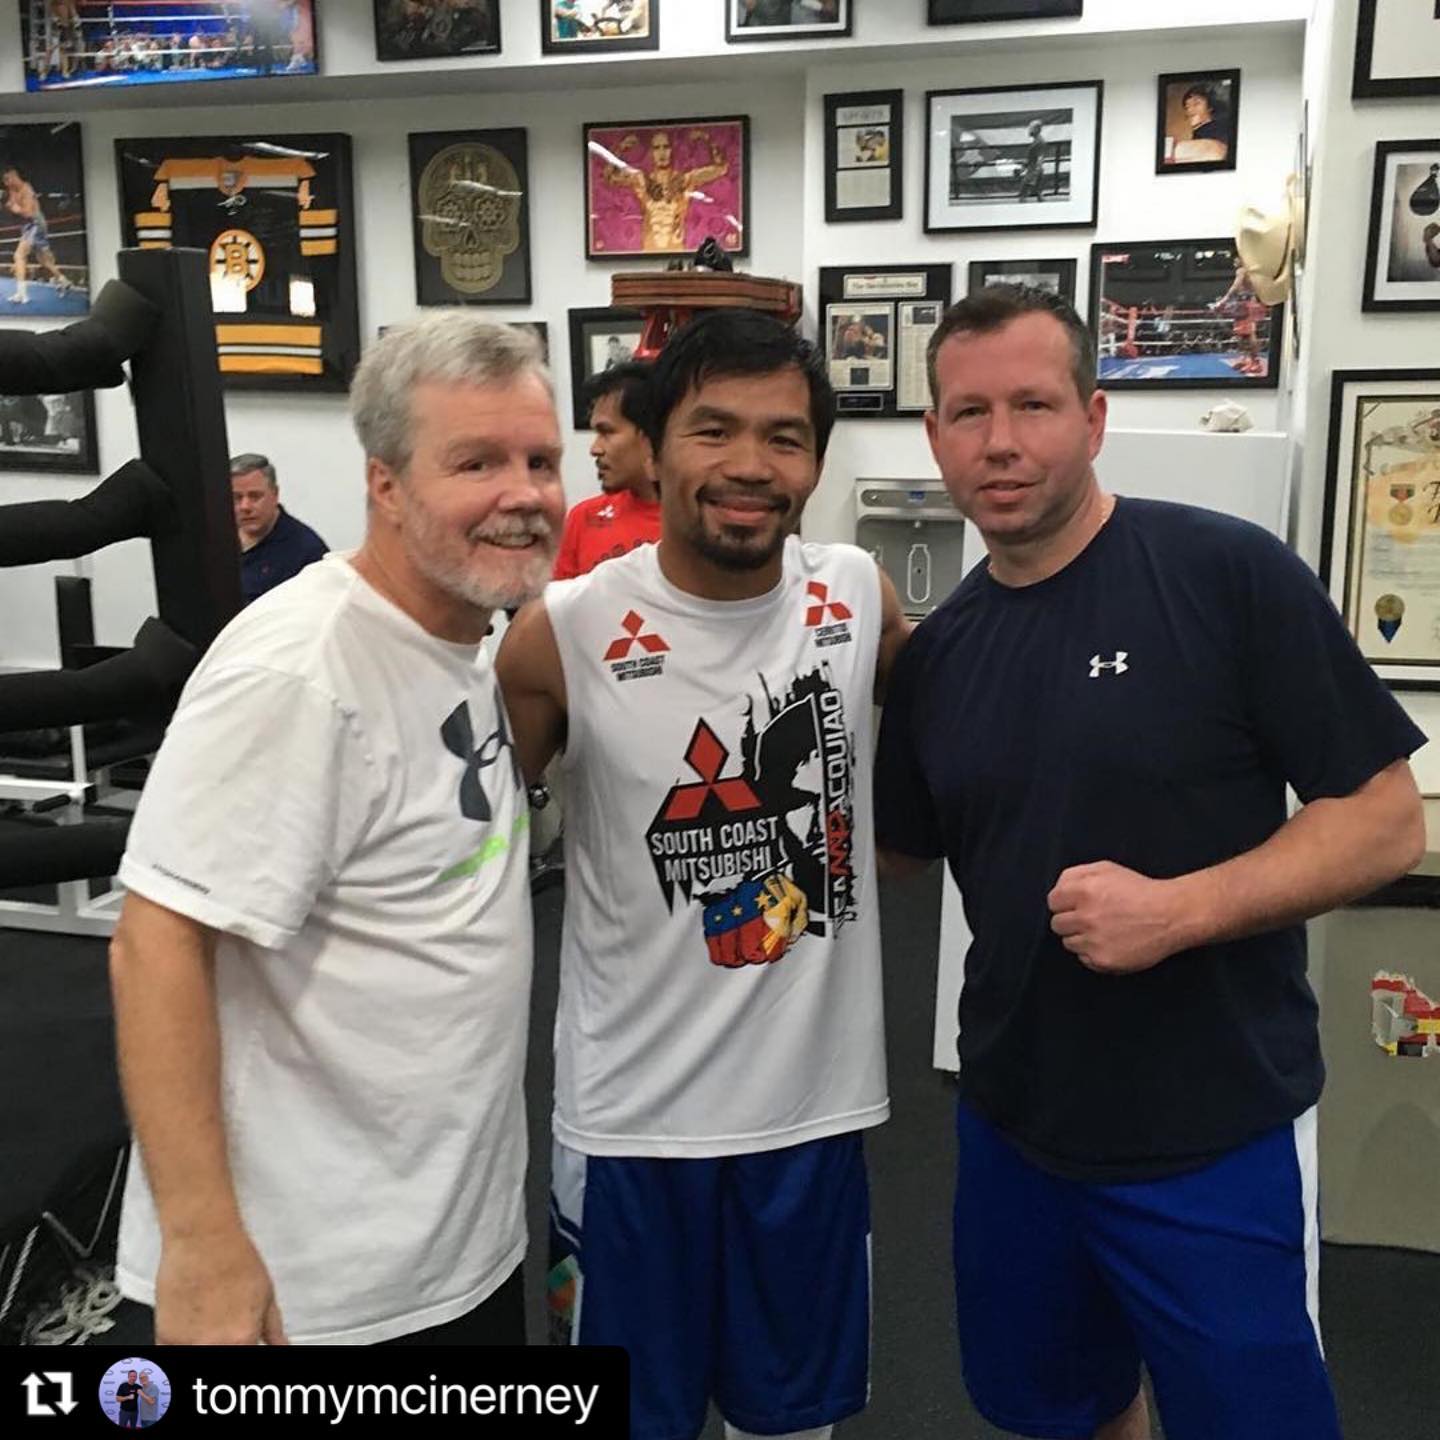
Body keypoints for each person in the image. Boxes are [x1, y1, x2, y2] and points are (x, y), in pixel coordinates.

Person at [874, 284, 1427, 1440]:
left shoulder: (1225, 574)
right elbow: (894, 860)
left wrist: (1180, 910)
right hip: (1013, 1121)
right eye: (969, 413)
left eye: (1034, 404)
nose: (1003, 442)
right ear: (934, 438)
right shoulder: (938, 658)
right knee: (1063, 1409)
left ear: (1094, 415)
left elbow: (1383, 820)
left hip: (1211, 1129)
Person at [108, 314, 564, 1346]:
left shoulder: (456, 639)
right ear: (387, 486)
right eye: (476, 461)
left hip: (449, 1256)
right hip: (303, 1297)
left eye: (541, 460)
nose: (523, 494)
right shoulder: (299, 671)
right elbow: (155, 944)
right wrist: (204, 1240)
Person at [498, 309, 909, 1440]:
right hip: (632, 1126)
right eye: (712, 430)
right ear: (658, 445)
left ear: (817, 463)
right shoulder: (565, 631)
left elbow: (950, 753)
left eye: (784, 438)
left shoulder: (859, 598)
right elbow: (465, 847)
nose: (748, 466)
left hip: (810, 1118)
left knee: (793, 1427)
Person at [553, 362, 659, 582]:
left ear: (651, 435)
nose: (595, 449)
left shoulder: (697, 523)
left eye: (606, 432)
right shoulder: (582, 519)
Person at [604, 128, 729, 253]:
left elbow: (721, 168)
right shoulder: (641, 180)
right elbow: (609, 177)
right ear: (651, 152)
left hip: (677, 251)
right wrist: (620, 149)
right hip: (648, 252)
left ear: (672, 150)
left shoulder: (684, 180)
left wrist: (707, 138)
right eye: (656, 148)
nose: (662, 153)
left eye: (666, 147)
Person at [229, 453, 329, 605]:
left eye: (255, 496)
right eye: (237, 498)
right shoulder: (216, 537)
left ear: (275, 494)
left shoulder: (307, 552)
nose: (245, 506)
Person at [3, 167, 72, 305]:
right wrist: (10, 206)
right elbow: (11, 204)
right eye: (5, 181)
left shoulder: (27, 190)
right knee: (44, 261)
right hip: (28, 226)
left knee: (19, 255)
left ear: (14, 176)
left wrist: (16, 209)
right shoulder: (12, 190)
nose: (6, 183)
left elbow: (28, 213)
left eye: (8, 179)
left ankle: (22, 294)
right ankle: (64, 280)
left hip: (35, 223)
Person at [1173, 83, 1230, 164]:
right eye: (1187, 107)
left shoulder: (1220, 128)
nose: (1190, 110)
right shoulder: (1200, 131)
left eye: (1196, 104)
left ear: (1210, 107)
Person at [1017, 118, 1047, 201]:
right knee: (1037, 191)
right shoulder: (1036, 141)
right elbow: (1032, 157)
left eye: (1031, 128)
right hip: (1033, 168)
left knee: (1024, 188)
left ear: (1037, 129)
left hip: (1034, 169)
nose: (1029, 130)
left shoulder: (1040, 142)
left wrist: (1036, 171)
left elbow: (1040, 157)